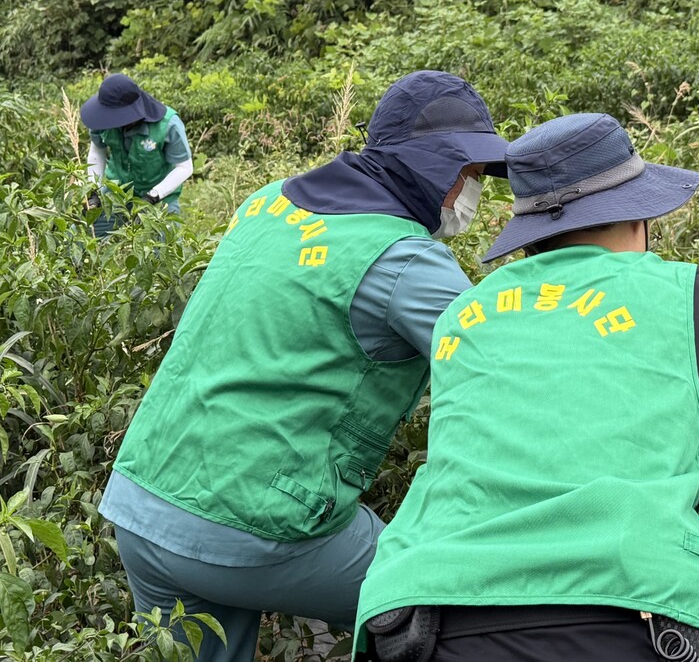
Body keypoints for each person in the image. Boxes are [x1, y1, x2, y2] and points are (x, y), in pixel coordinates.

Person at [356, 112, 699, 662]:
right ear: (637, 216)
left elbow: (542, 426)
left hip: (426, 608)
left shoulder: (465, 312)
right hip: (628, 610)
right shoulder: (692, 294)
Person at [98, 71, 512, 661]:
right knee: (455, 606)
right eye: (471, 175)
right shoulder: (405, 260)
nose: (475, 194)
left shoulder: (266, 201)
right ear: (435, 166)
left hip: (143, 502)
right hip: (255, 528)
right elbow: (507, 372)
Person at [80, 73, 195, 238]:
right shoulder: (103, 120)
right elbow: (97, 151)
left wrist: (154, 195)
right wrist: (93, 190)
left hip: (160, 199)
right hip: (115, 192)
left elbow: (185, 167)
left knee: (163, 252)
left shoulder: (168, 125)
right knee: (90, 236)